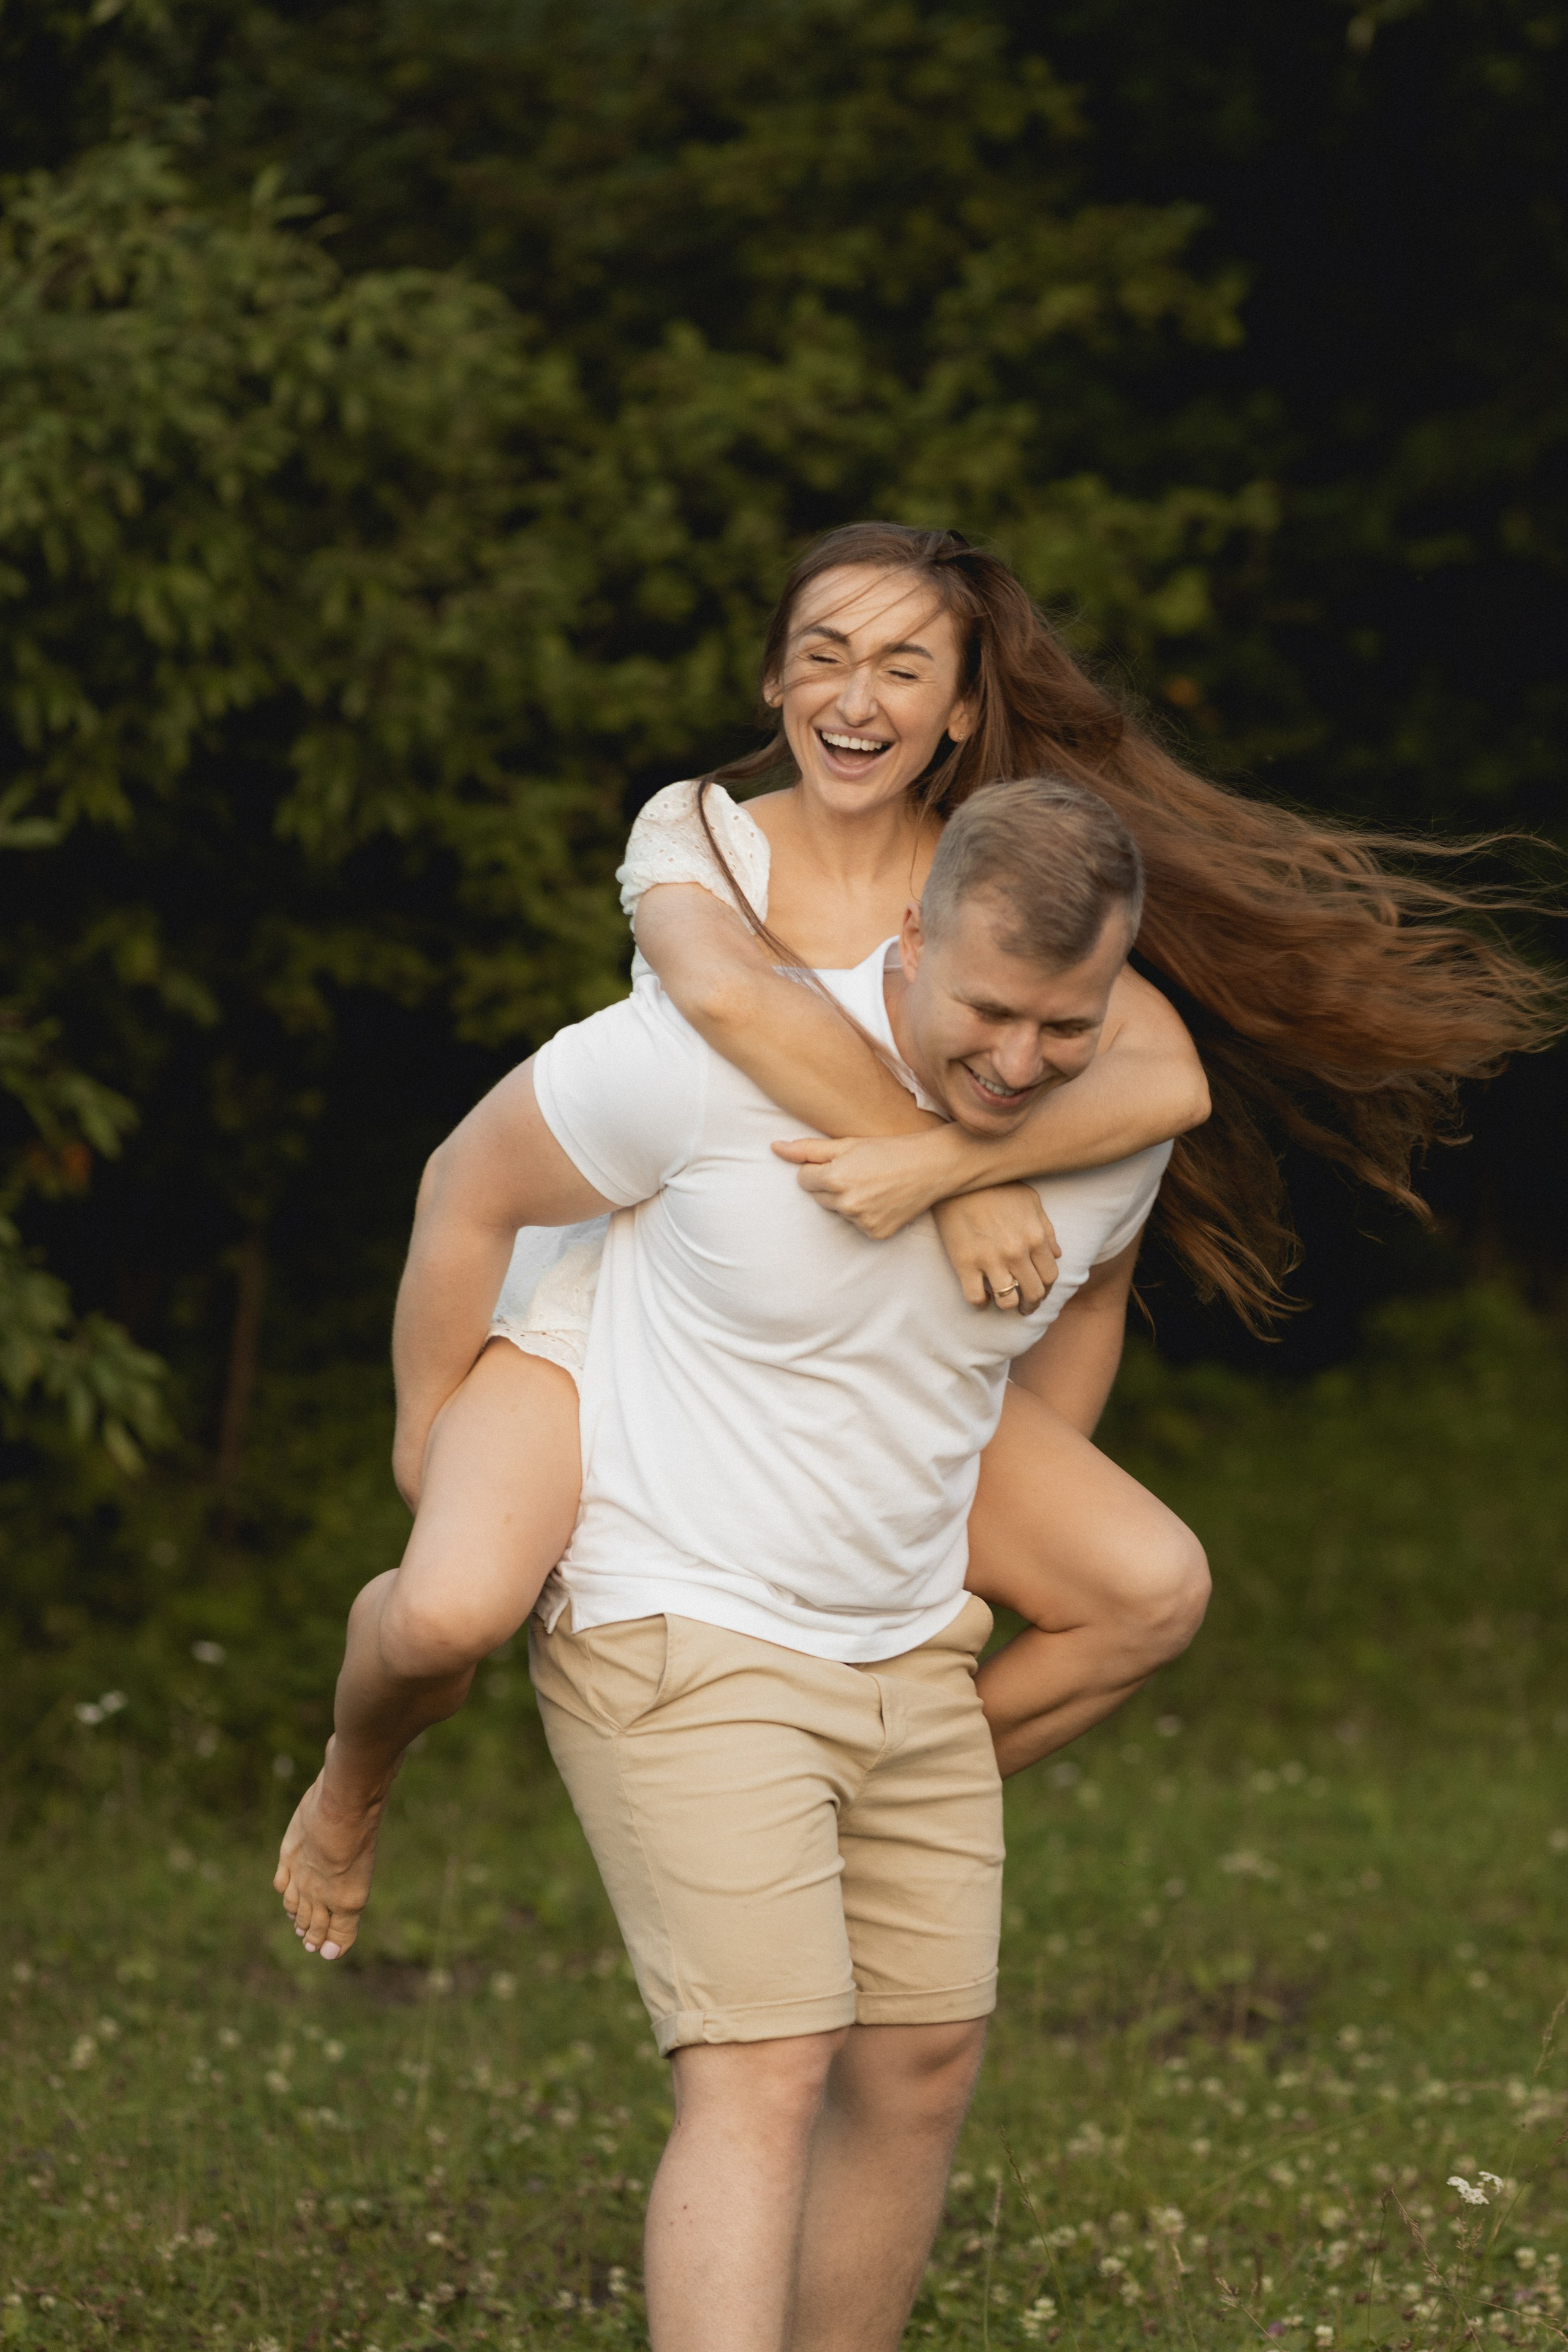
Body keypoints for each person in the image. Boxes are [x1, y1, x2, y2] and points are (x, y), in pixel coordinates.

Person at [292, 777, 1175, 2352]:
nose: (1020, 1061)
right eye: (987, 1009)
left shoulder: (1109, 1126)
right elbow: (468, 1183)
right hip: (676, 1624)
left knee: (918, 2063)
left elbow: (1083, 1294)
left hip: (906, 1647)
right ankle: (353, 1772)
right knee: (762, 2070)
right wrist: (431, 1434)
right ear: (909, 943)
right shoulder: (707, 1065)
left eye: (1067, 1023)